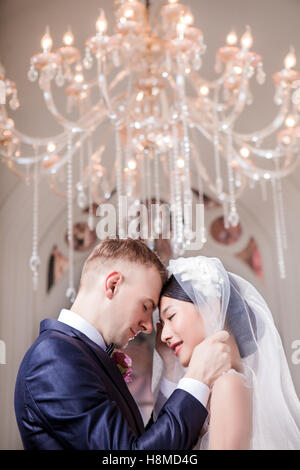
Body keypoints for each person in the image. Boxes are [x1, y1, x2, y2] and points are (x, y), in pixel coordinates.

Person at [14, 238, 231, 450]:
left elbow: (139, 441)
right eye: (146, 306)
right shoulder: (55, 357)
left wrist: (170, 369)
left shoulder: (76, 352)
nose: (148, 327)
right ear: (113, 284)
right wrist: (197, 378)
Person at [153, 256, 300, 450]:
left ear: (212, 307)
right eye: (162, 325)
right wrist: (170, 365)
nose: (163, 336)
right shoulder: (224, 383)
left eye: (171, 316)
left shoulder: (228, 384)